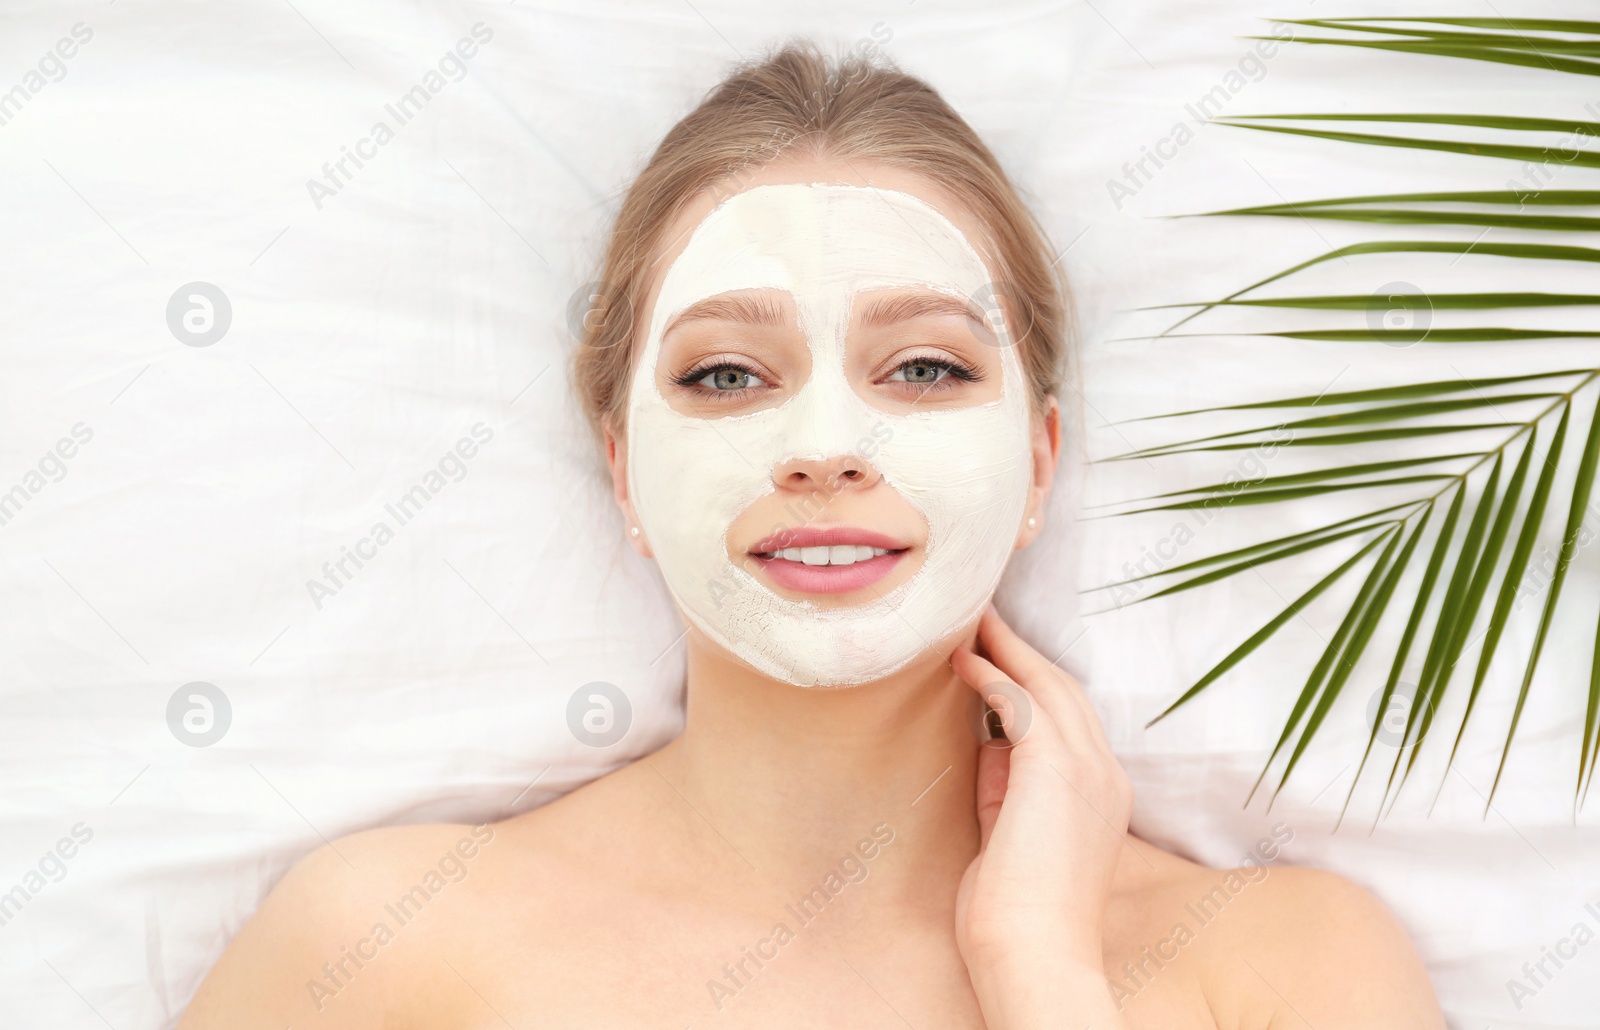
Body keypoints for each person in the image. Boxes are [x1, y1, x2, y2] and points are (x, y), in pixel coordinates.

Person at [179, 42, 1445, 1029]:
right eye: (727, 375)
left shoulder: (1290, 966)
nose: (825, 446)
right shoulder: (382, 940)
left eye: (927, 369)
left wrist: (1042, 973)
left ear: (1038, 463)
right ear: (623, 469)